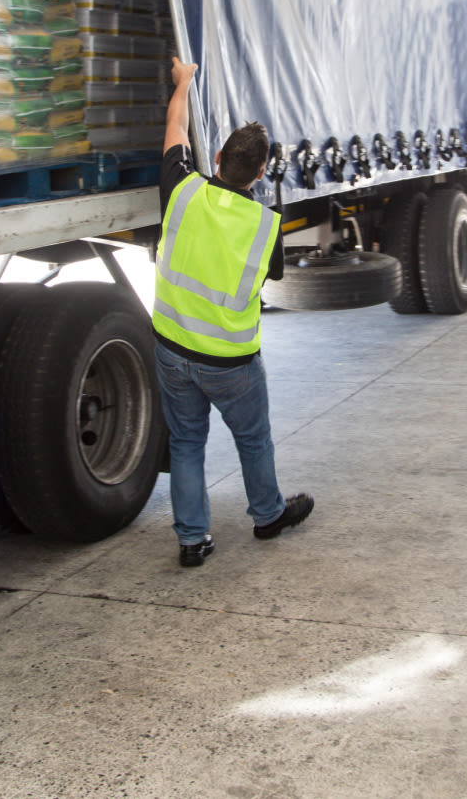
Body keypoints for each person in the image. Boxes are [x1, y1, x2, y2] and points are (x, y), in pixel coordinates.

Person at [153, 56, 314, 568]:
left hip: (172, 349)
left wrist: (185, 81)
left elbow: (175, 126)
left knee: (185, 443)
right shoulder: (265, 225)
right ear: (262, 172)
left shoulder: (181, 189)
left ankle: (192, 541)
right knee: (252, 439)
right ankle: (267, 517)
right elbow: (274, 278)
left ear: (217, 155)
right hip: (231, 362)